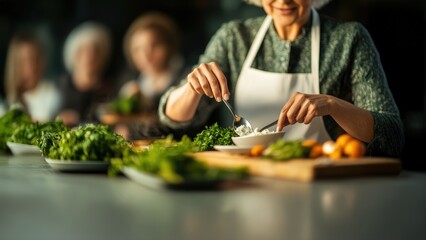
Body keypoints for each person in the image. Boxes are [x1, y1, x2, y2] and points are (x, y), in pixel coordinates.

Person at [158, 0, 404, 158]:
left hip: (320, 184)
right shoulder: (234, 37)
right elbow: (174, 120)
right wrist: (191, 88)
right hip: (247, 180)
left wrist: (333, 105)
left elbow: (392, 136)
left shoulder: (349, 39)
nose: (283, 1)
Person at [115, 11, 189, 139]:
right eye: (137, 49)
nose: (146, 55)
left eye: (154, 45)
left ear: (170, 45)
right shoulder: (132, 84)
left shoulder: (185, 80)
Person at [56, 21, 114, 127]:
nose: (89, 57)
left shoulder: (110, 89)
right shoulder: (59, 88)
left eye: (95, 51)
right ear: (73, 55)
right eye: (83, 51)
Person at [3, 31, 60, 122]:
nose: (32, 67)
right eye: (24, 61)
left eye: (35, 58)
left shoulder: (54, 94)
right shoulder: (6, 105)